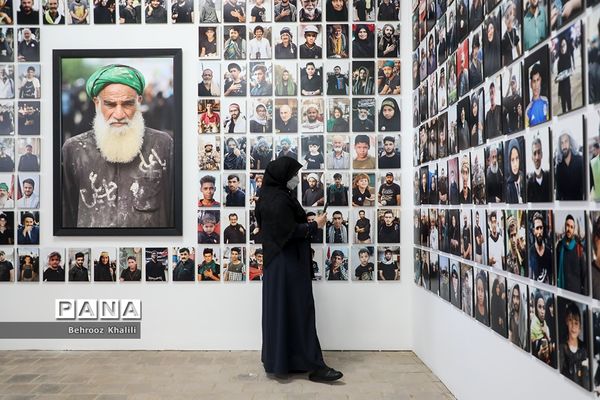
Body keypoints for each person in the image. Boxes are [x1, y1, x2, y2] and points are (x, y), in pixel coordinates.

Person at [256, 158, 342, 378]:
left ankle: (284, 362)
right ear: (283, 176)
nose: (296, 178)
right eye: (293, 174)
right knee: (300, 310)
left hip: (278, 263)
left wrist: (309, 223)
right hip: (287, 263)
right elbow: (289, 231)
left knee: (284, 310)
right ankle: (315, 366)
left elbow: (281, 228)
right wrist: (315, 225)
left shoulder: (270, 196)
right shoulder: (279, 200)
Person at [61, 65, 173, 228]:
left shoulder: (163, 145)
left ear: (139, 102)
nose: (119, 114)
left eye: (127, 104)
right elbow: (66, 216)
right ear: (97, 103)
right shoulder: (74, 150)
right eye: (110, 104)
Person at [559, 301, 589, 388]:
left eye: (576, 323)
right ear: (566, 322)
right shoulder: (562, 347)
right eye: (570, 321)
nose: (573, 326)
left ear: (580, 326)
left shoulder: (584, 348)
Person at [556, 214, 587, 295]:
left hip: (576, 294)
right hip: (562, 293)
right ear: (565, 226)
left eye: (571, 227)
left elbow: (584, 274)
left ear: (573, 230)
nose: (569, 229)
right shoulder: (559, 246)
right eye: (567, 226)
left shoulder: (579, 248)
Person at [555, 132, 584, 200]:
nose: (564, 145)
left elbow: (586, 186)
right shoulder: (559, 166)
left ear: (570, 142)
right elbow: (558, 192)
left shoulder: (580, 160)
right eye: (562, 143)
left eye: (566, 141)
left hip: (579, 203)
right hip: (564, 204)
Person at [531, 291, 555, 365]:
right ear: (535, 308)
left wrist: (546, 334)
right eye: (539, 307)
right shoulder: (532, 328)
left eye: (544, 308)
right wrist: (539, 354)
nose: (542, 311)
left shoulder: (546, 326)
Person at [529, 212, 552, 284]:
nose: (539, 232)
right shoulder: (531, 251)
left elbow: (551, 276)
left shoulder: (548, 252)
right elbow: (530, 277)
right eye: (537, 228)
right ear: (534, 231)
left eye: (541, 228)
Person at [527, 137, 551, 202]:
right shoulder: (529, 183)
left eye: (539, 152)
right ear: (532, 157)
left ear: (542, 154)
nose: (537, 157)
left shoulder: (549, 178)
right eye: (534, 153)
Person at [505, 138, 525, 203]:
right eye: (512, 160)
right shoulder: (508, 186)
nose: (515, 164)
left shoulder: (524, 180)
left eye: (517, 158)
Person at [508, 283, 527, 349]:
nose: (515, 301)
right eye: (513, 297)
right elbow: (510, 333)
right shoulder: (511, 314)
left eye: (518, 297)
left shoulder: (525, 318)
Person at [502, 1, 521, 66]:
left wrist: (521, 58)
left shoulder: (514, 31)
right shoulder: (504, 36)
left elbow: (518, 46)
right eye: (508, 16)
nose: (510, 18)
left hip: (516, 60)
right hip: (508, 62)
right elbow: (503, 56)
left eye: (512, 14)